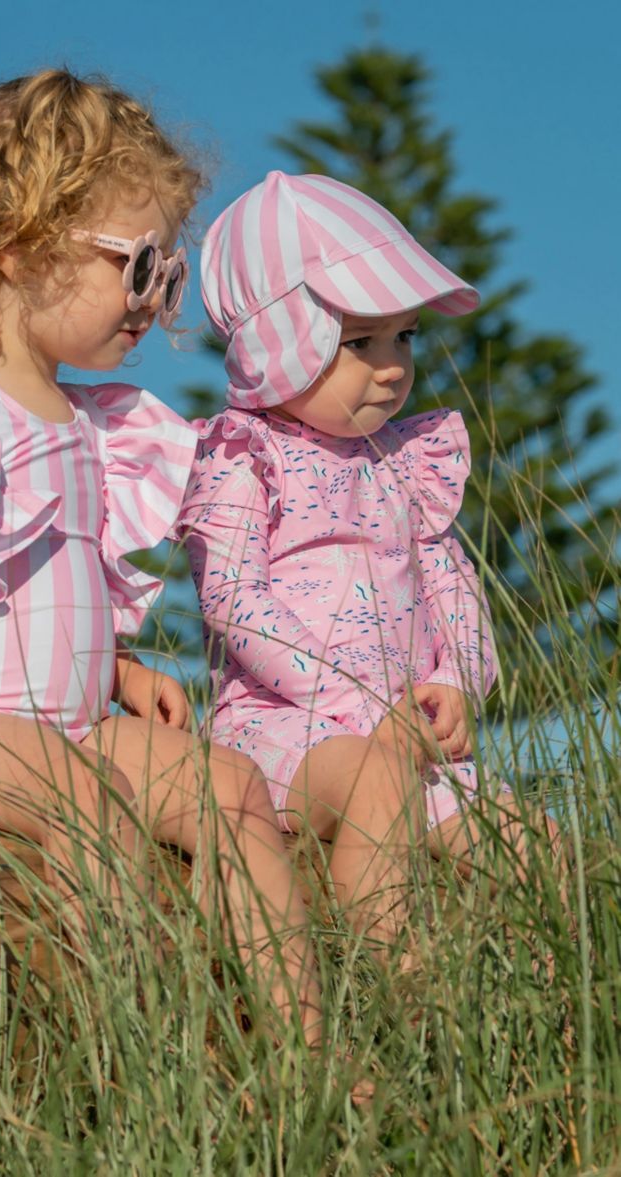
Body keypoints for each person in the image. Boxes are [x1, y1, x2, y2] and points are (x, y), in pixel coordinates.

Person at [0, 79, 322, 1045]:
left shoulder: (89, 426)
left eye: (170, 275)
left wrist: (117, 668)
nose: (154, 302)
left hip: (73, 728)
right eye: (140, 265)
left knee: (231, 785)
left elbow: (47, 587)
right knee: (91, 810)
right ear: (19, 243)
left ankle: (302, 1047)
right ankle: (142, 1048)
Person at [179, 171, 557, 957]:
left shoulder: (403, 460)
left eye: (404, 337)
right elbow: (234, 601)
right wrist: (360, 705)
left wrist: (458, 680)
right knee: (377, 790)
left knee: (536, 845)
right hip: (287, 732)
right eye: (360, 342)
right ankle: (393, 991)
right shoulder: (245, 456)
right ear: (279, 341)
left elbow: (452, 583)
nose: (392, 366)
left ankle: (548, 1013)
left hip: (410, 739)